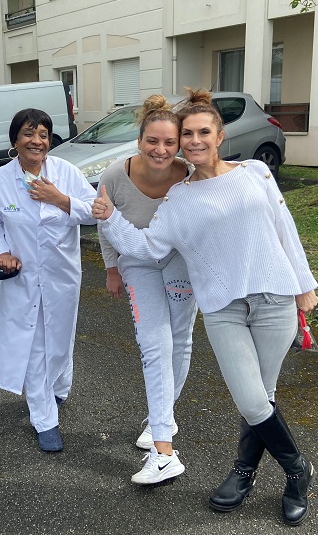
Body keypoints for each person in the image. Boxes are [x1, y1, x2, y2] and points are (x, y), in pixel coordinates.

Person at [92, 88, 318, 526]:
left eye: (202, 132)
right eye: (187, 134)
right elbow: (147, 248)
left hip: (273, 298)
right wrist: (109, 219)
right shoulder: (178, 198)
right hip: (222, 307)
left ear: (219, 135)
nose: (194, 141)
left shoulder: (255, 172)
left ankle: (244, 471)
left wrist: (303, 286)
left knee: (263, 397)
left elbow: (283, 228)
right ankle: (298, 470)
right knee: (252, 401)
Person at [0, 108, 97, 453]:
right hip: (22, 276)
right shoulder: (0, 179)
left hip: (61, 276)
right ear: (15, 140)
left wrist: (59, 199)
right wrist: (0, 252)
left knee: (60, 335)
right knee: (35, 344)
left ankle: (60, 387)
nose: (37, 141)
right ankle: (45, 418)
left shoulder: (66, 173)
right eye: (29, 134)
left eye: (43, 134)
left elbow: (95, 210)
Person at [96, 95, 198, 485]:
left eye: (169, 143)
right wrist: (111, 269)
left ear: (178, 145)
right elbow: (104, 222)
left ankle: (161, 419)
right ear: (139, 140)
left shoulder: (189, 175)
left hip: (178, 263)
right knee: (155, 344)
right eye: (152, 141)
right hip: (136, 264)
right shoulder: (114, 175)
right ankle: (163, 448)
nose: (160, 150)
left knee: (180, 339)